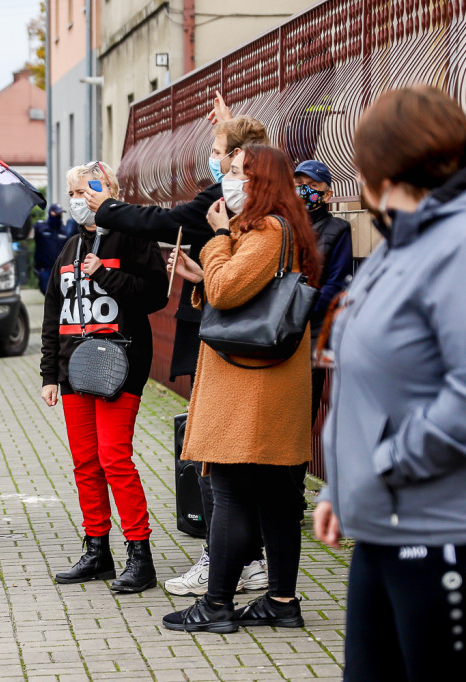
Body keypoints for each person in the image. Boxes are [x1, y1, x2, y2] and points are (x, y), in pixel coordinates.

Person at [313, 86, 466, 681]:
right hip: (389, 519)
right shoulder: (407, 239)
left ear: (380, 171)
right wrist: (344, 486)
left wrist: (382, 464)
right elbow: (374, 382)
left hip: (454, 528)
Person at [82, 101, 272, 598]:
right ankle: (240, 557)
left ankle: (226, 562)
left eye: (219, 156)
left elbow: (175, 225)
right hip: (213, 329)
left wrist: (107, 208)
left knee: (214, 456)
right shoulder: (235, 198)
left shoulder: (252, 217)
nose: (214, 166)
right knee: (212, 455)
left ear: (240, 161)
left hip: (231, 341)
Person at [161, 144, 322, 632]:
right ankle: (281, 600)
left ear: (261, 184)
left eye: (236, 174)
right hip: (265, 378)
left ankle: (215, 607)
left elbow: (229, 289)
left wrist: (217, 238)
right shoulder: (281, 229)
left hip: (250, 384)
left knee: (228, 489)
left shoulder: (267, 229)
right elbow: (234, 289)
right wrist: (202, 272)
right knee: (276, 497)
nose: (227, 182)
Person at [40, 161, 169, 593]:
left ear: (110, 189)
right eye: (73, 193)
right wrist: (49, 374)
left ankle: (140, 554)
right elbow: (52, 314)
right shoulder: (69, 249)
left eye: (87, 190)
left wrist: (106, 274)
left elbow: (155, 293)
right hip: (75, 369)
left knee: (115, 457)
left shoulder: (132, 237)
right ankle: (97, 551)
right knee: (85, 463)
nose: (80, 200)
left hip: (120, 365)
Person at [293, 160, 353, 424]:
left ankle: (296, 466)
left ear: (328, 193)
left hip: (313, 329)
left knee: (304, 409)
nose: (304, 191)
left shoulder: (337, 229)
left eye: (313, 185)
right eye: (300, 185)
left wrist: (304, 310)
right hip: (280, 327)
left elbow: (334, 283)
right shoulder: (282, 225)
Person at [33, 203, 71, 293]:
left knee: (61, 294)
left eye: (60, 213)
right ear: (51, 212)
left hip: (61, 270)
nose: (58, 215)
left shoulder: (64, 231)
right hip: (45, 269)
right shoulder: (41, 228)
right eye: (56, 213)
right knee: (47, 292)